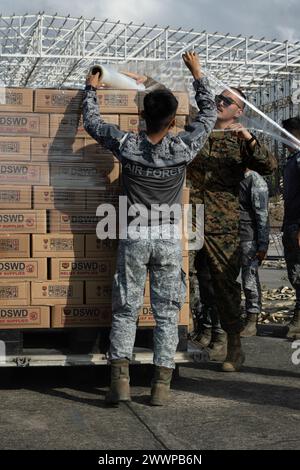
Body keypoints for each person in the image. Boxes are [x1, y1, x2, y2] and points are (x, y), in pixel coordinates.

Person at [83, 51, 217, 406]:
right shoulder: (184, 147)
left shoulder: (128, 146)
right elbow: (209, 115)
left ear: (142, 117)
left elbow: (92, 124)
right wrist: (198, 75)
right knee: (167, 312)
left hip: (134, 236)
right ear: (173, 121)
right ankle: (160, 386)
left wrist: (90, 89)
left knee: (126, 309)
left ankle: (120, 383)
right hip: (169, 238)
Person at [187, 87, 277, 372]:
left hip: (221, 223)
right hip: (188, 217)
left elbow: (269, 165)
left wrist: (248, 138)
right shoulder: (197, 130)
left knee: (224, 284)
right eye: (218, 98)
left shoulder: (241, 140)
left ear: (238, 111)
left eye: (227, 101)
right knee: (184, 277)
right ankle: (197, 331)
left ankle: (234, 346)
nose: (219, 102)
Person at [239, 169, 269, 336]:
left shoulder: (253, 179)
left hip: (247, 237)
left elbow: (262, 213)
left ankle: (252, 318)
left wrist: (263, 244)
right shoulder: (228, 175)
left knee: (249, 279)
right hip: (227, 237)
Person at [281, 117, 300, 339]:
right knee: (294, 273)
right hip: (291, 223)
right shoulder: (292, 159)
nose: (283, 138)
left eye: (287, 134)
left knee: (298, 273)